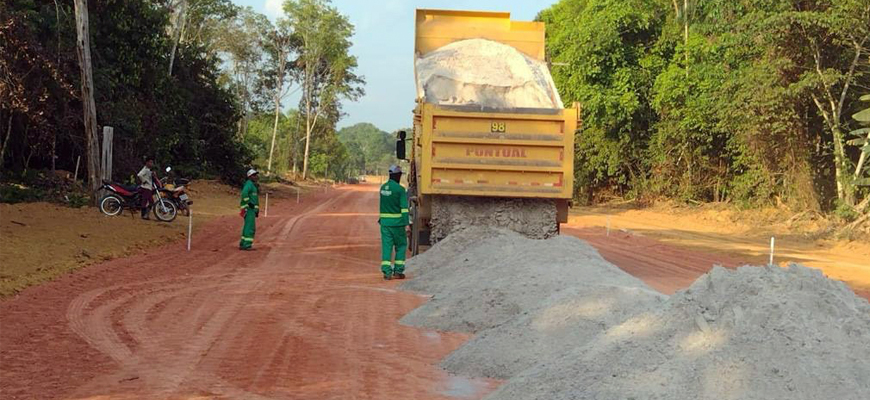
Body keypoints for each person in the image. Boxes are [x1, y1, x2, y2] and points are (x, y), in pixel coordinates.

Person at [378, 165, 409, 280]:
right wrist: (407, 224)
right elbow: (404, 209)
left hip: (385, 224)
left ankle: (387, 272)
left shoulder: (383, 188)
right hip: (398, 224)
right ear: (398, 175)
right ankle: (398, 271)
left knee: (387, 247)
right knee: (401, 246)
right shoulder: (400, 190)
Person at [239, 169, 260, 250]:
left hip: (251, 210)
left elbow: (255, 199)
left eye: (256, 175)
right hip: (248, 209)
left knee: (247, 226)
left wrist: (256, 210)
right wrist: (249, 203)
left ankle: (243, 243)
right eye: (254, 175)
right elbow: (244, 193)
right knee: (250, 227)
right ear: (250, 176)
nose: (256, 177)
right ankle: (247, 245)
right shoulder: (249, 184)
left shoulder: (252, 185)